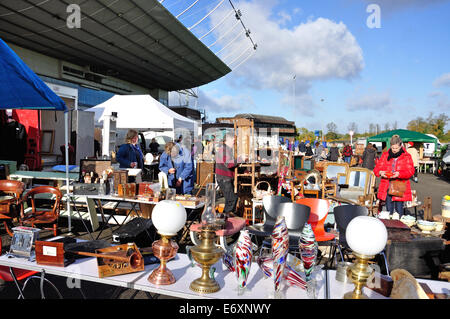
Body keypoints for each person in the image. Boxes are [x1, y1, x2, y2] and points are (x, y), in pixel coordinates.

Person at [373, 134, 415, 218]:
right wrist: (381, 172)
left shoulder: (406, 156)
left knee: (399, 210)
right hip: (387, 186)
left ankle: (399, 227)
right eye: (393, 148)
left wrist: (399, 174)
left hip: (399, 186)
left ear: (400, 146)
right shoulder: (385, 155)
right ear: (390, 146)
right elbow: (376, 170)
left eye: (396, 148)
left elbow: (411, 171)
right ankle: (390, 228)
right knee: (389, 211)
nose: (394, 150)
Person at [215, 132, 240, 219]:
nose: (234, 142)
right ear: (229, 139)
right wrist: (240, 159)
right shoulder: (224, 150)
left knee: (230, 199)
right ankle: (225, 219)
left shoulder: (226, 149)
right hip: (224, 178)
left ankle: (226, 218)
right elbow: (229, 164)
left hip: (224, 177)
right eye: (234, 140)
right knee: (232, 199)